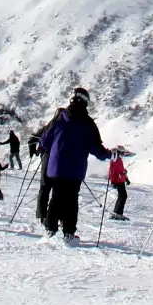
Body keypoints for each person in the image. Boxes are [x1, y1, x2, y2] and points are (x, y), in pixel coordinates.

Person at [38, 88, 114, 241]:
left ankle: (50, 230)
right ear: (86, 101)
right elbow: (96, 148)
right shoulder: (87, 123)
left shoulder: (59, 118)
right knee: (71, 198)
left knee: (56, 195)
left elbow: (45, 141)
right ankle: (68, 232)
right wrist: (109, 154)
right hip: (75, 169)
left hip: (56, 167)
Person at [108, 154, 130, 219]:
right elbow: (111, 171)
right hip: (118, 181)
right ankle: (118, 214)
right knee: (123, 196)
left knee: (121, 196)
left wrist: (126, 179)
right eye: (121, 153)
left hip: (121, 181)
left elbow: (122, 170)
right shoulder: (114, 161)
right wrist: (113, 182)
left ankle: (116, 213)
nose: (122, 155)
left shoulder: (120, 160)